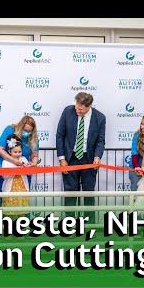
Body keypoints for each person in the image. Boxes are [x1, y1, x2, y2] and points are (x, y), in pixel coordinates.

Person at [55, 91, 106, 223]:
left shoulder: (100, 118)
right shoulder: (67, 111)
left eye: (80, 109)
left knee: (88, 194)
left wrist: (97, 157)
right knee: (70, 194)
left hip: (89, 160)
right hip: (70, 158)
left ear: (89, 106)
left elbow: (100, 141)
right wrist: (62, 158)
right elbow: (60, 135)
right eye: (76, 107)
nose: (77, 110)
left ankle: (89, 226)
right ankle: (70, 226)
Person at [0, 115, 39, 191]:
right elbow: (0, 149)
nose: (27, 133)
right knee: (5, 194)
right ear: (20, 127)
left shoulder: (33, 137)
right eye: (25, 130)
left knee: (24, 194)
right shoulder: (10, 130)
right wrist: (13, 160)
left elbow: (34, 155)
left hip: (24, 170)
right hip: (7, 167)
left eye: (30, 131)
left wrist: (33, 163)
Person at [1, 134, 30, 238]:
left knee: (21, 213)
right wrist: (16, 170)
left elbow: (29, 172)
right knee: (8, 212)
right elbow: (4, 175)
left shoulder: (24, 159)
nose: (18, 154)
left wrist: (27, 167)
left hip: (22, 189)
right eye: (15, 152)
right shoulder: (5, 161)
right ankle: (7, 232)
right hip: (10, 190)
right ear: (9, 152)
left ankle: (20, 232)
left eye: (19, 152)